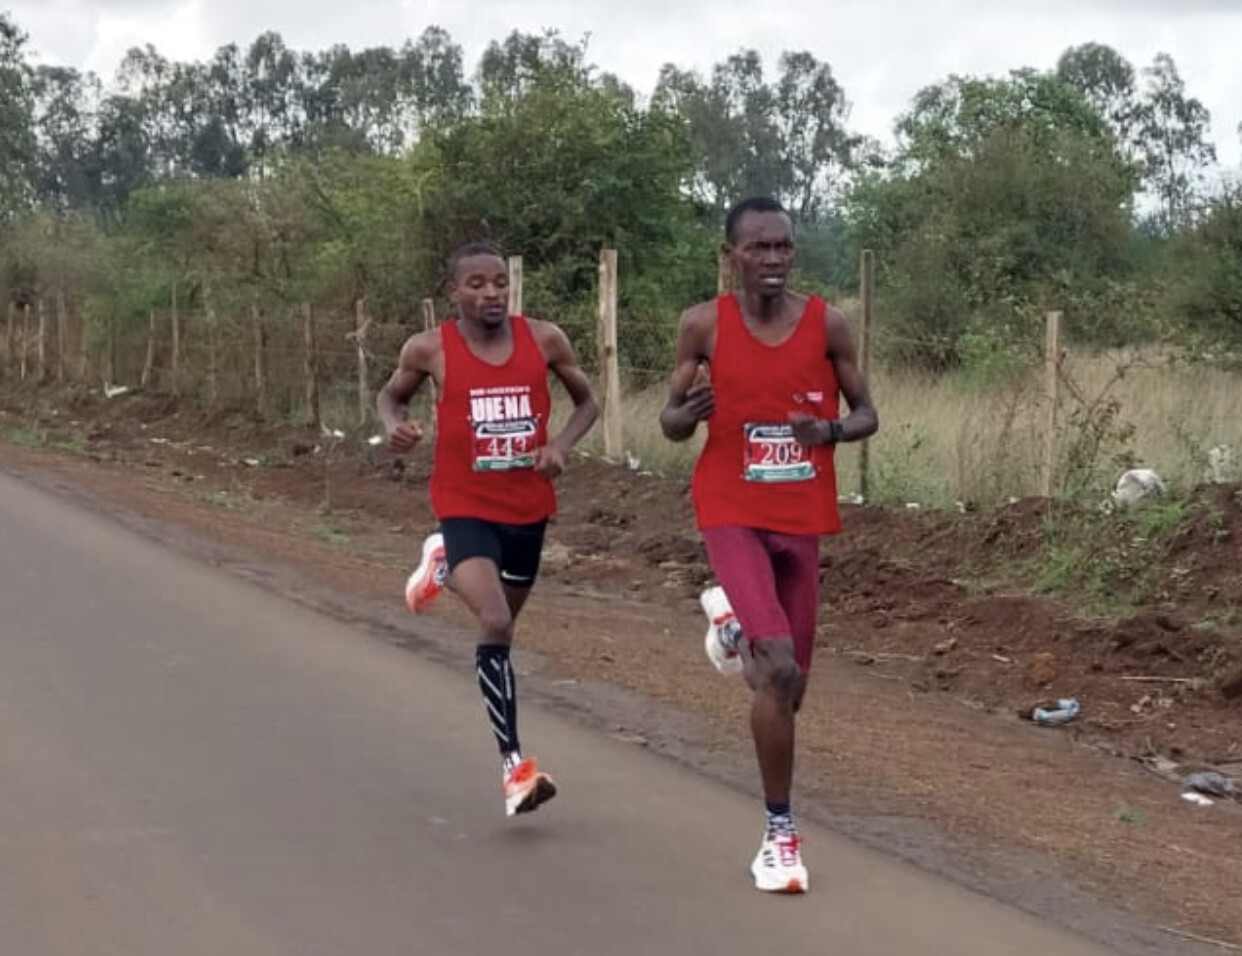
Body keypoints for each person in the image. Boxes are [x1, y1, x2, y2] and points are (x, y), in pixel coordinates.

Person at [660, 197, 879, 893]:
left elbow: (867, 413)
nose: (774, 259)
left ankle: (731, 630)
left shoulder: (826, 325)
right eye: (759, 247)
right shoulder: (704, 325)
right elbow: (669, 421)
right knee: (778, 668)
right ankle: (779, 838)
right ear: (732, 256)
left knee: (790, 689)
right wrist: (686, 413)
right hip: (729, 506)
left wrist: (829, 432)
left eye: (783, 246)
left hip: (801, 515)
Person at [377, 241, 600, 818]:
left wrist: (560, 445)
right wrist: (394, 426)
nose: (492, 293)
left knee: (502, 629)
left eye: (499, 282)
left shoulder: (545, 339)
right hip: (464, 503)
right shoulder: (429, 349)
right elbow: (391, 397)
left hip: (527, 508)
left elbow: (587, 403)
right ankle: (515, 769)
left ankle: (444, 564)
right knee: (495, 619)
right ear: (453, 292)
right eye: (476, 284)